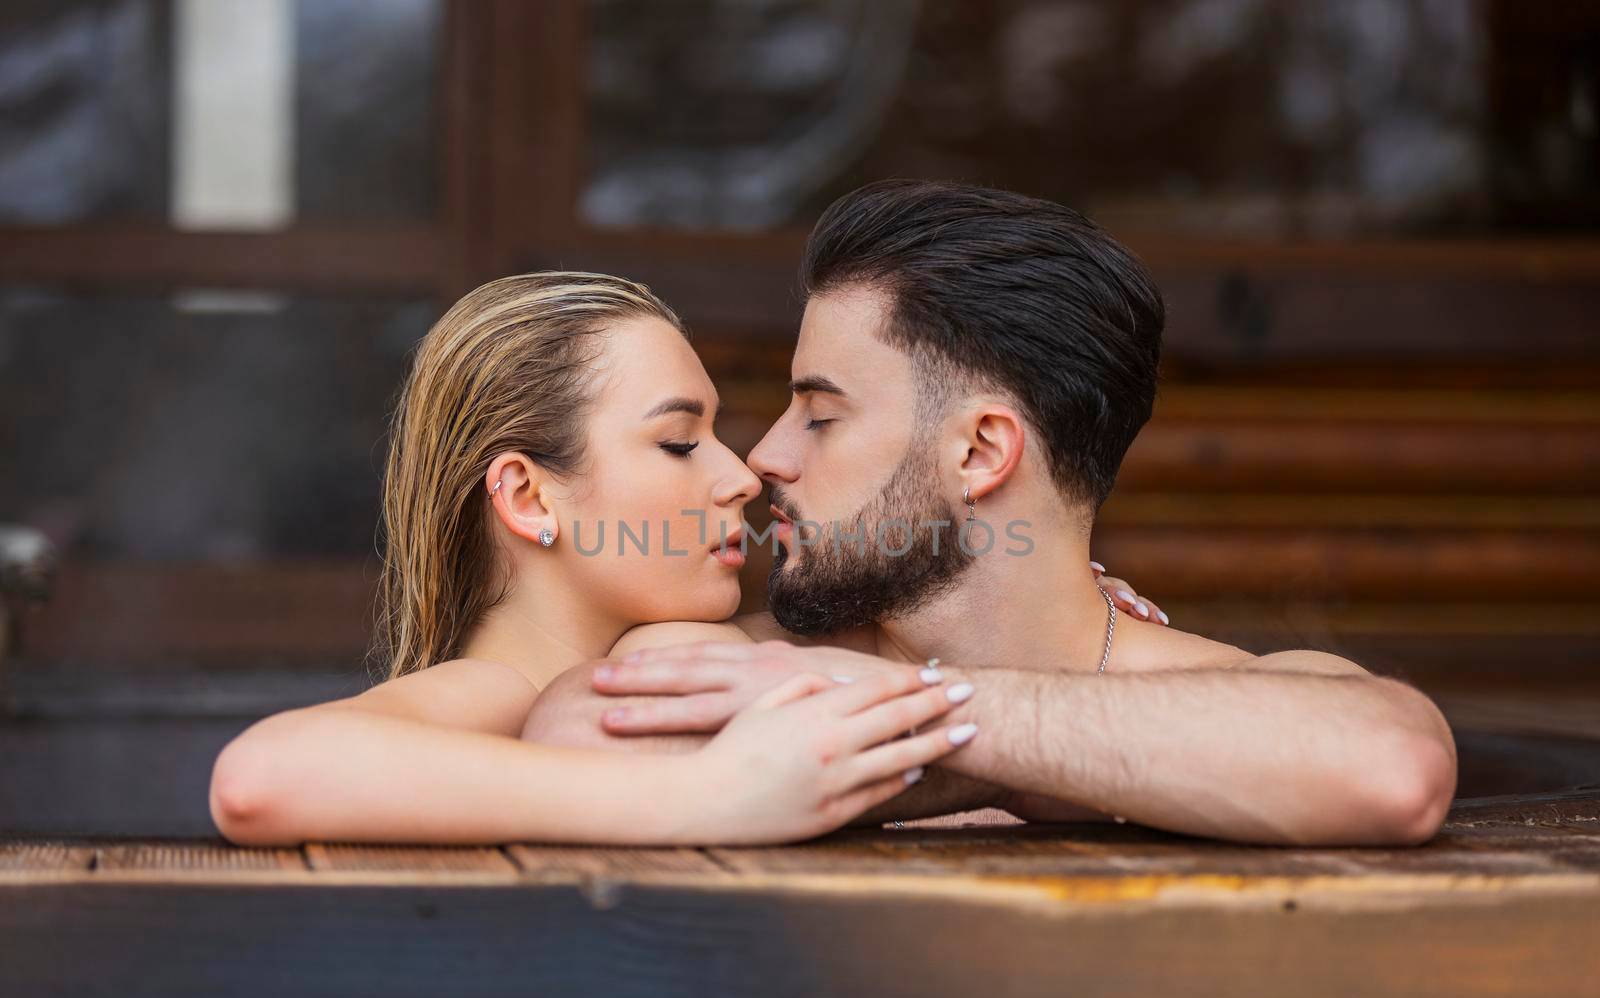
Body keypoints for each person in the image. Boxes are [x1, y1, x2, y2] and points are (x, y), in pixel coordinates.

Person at [524, 180, 1458, 846]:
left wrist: (914, 717)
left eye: (820, 414)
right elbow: (578, 733)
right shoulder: (743, 663)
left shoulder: (1243, 684)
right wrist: (1104, 765)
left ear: (979, 452)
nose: (766, 457)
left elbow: (1393, 767)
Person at [207, 270, 1153, 847]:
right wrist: (711, 795)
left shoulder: (692, 654)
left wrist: (1060, 601)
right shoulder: (498, 692)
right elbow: (261, 776)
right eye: (677, 442)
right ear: (529, 497)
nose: (744, 475)